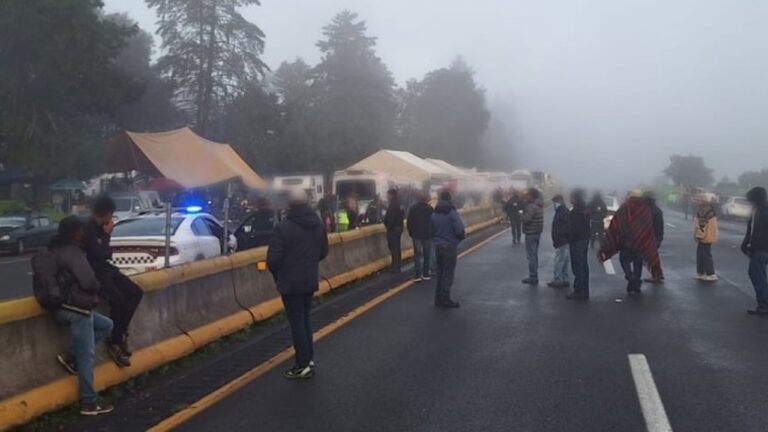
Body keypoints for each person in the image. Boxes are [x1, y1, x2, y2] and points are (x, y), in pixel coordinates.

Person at [49, 216, 115, 416]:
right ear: (74, 234)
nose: (83, 234)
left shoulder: (53, 250)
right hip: (77, 310)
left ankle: (71, 356)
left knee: (106, 325)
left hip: (58, 308)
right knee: (87, 356)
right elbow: (89, 282)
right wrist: (96, 288)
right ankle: (89, 402)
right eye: (80, 231)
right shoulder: (73, 253)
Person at [267, 189, 329, 379]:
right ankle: (308, 358)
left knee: (297, 322)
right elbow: (323, 251)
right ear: (307, 202)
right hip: (308, 279)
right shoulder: (317, 224)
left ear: (289, 204)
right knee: (305, 319)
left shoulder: (283, 227)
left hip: (290, 281)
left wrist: (279, 273)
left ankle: (302, 364)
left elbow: (273, 259)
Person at [84, 195, 143, 367]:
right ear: (107, 213)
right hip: (95, 272)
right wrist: (107, 234)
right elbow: (100, 253)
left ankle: (121, 332)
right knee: (117, 299)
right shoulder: (89, 229)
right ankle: (116, 340)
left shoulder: (98, 228)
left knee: (135, 292)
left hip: (107, 269)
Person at [600, 190, 661, 294]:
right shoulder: (645, 209)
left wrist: (614, 237)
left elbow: (616, 223)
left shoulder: (625, 207)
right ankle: (636, 283)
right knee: (638, 263)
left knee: (624, 260)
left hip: (626, 242)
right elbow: (649, 227)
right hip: (641, 242)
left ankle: (630, 277)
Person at [431, 191, 465, 308]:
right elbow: (459, 229)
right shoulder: (451, 213)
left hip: (438, 246)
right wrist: (457, 239)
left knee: (440, 273)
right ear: (450, 199)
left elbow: (431, 229)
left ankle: (438, 298)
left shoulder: (434, 213)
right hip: (449, 245)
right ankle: (445, 298)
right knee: (448, 273)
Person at [743, 187, 768, 315]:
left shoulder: (763, 212)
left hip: (761, 249)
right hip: (757, 248)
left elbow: (759, 233)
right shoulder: (756, 210)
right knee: (757, 275)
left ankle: (764, 305)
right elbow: (751, 230)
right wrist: (745, 243)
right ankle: (763, 303)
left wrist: (752, 246)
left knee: (757, 275)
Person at [567, 189, 591, 300]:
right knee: (584, 265)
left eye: (571, 197)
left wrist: (569, 236)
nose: (569, 199)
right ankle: (585, 290)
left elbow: (574, 228)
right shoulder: (585, 209)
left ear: (575, 198)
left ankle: (579, 291)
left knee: (578, 266)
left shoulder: (575, 211)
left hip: (577, 241)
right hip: (585, 239)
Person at [407, 193, 433, 282]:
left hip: (416, 235)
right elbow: (433, 222)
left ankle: (417, 275)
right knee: (427, 255)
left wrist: (411, 233)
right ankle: (426, 274)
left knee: (417, 255)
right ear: (426, 199)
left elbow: (409, 222)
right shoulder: (430, 209)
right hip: (427, 235)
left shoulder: (413, 208)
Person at [694, 194, 719, 281]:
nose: (696, 201)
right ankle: (701, 272)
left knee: (705, 254)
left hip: (706, 235)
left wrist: (699, 235)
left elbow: (702, 225)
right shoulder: (706, 209)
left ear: (703, 201)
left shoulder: (704, 211)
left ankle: (710, 273)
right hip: (707, 234)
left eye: (698, 200)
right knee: (701, 253)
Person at [522, 188, 544, 285]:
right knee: (534, 255)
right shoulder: (539, 206)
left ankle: (533, 276)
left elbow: (527, 219)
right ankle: (534, 274)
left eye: (528, 195)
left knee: (531, 256)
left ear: (532, 196)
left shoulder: (531, 207)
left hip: (530, 233)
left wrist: (522, 216)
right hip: (537, 232)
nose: (526, 196)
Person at [548, 195, 570, 288]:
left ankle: (558, 279)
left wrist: (558, 236)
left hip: (561, 240)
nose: (554, 204)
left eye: (555, 202)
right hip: (563, 240)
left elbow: (564, 226)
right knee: (564, 260)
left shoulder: (562, 212)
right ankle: (565, 278)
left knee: (559, 260)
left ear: (560, 201)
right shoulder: (562, 211)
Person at [643, 191, 665, 284]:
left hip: (652, 237)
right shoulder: (656, 209)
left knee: (651, 257)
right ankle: (657, 274)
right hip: (656, 237)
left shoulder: (649, 210)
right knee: (652, 257)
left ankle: (657, 275)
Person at [383, 189, 406, 273]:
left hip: (393, 229)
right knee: (397, 247)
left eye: (388, 195)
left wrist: (387, 225)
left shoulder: (393, 205)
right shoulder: (400, 203)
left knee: (393, 248)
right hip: (399, 227)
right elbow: (403, 215)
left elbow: (390, 219)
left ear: (391, 195)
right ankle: (397, 265)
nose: (387, 197)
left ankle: (395, 266)